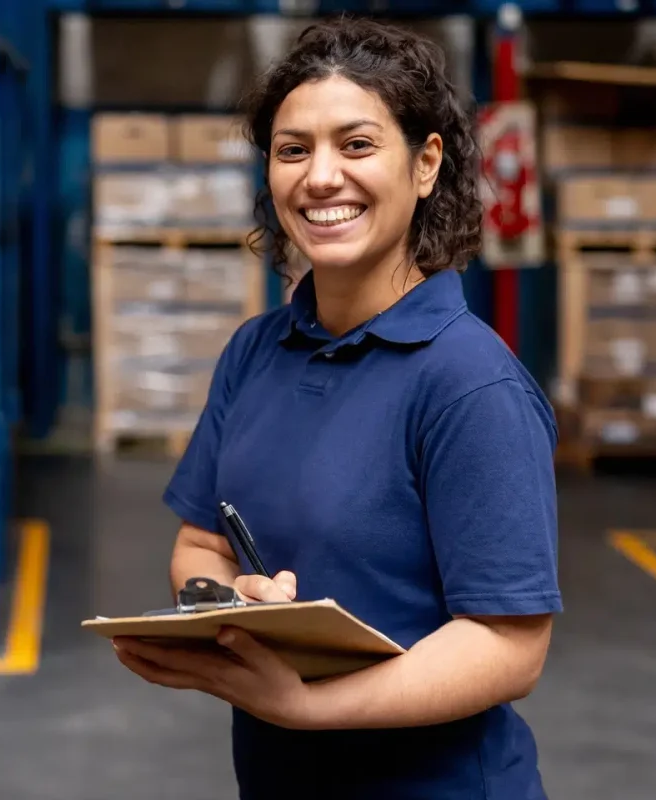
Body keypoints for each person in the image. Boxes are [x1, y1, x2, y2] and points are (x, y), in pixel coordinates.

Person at [109, 16, 562, 800]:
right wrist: (225, 602)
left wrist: (310, 707)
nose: (320, 178)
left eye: (356, 145)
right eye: (293, 150)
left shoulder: (468, 384)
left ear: (426, 165)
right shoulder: (255, 352)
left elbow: (508, 647)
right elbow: (200, 544)